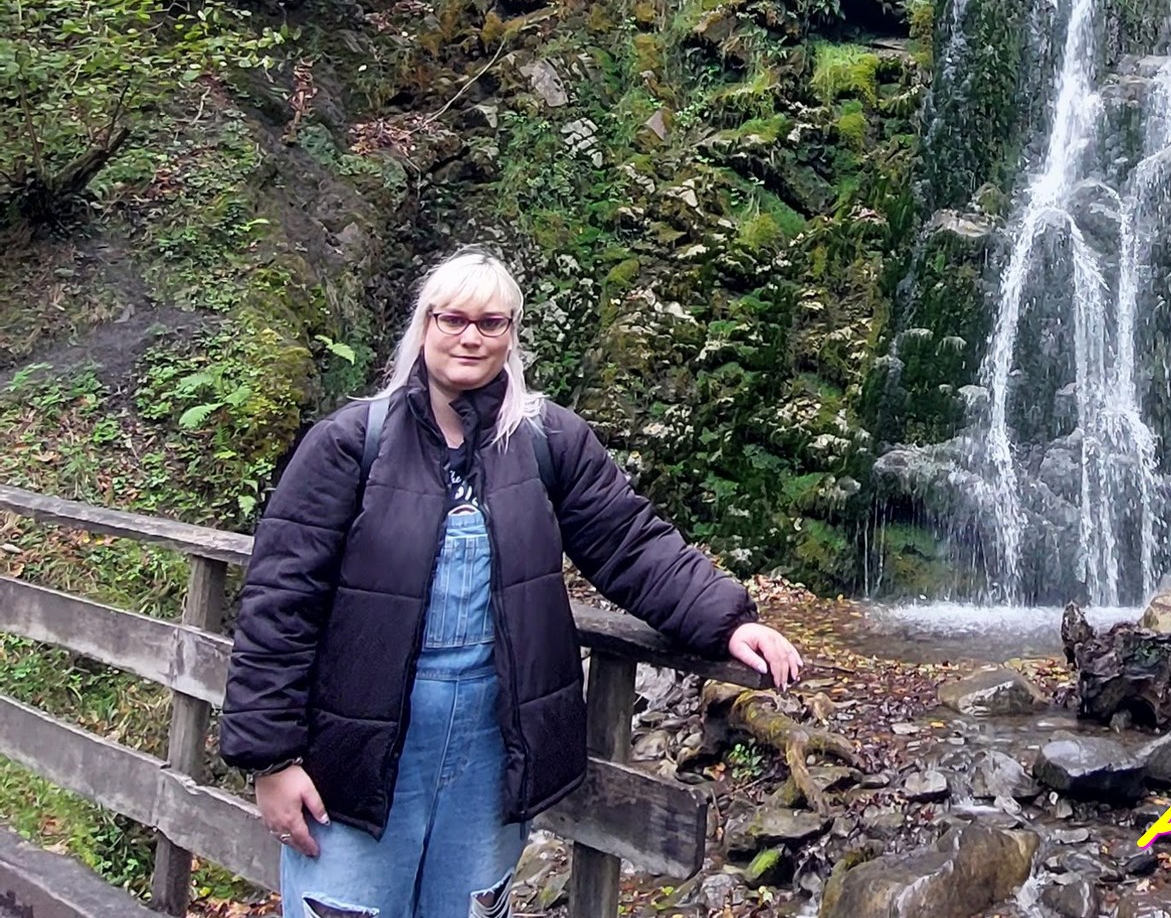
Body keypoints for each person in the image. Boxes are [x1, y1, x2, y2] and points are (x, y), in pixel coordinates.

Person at [218, 247, 802, 918]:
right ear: (424, 325)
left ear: (511, 335)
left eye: (491, 323)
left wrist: (729, 621)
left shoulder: (545, 438)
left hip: (491, 751)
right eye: (453, 318)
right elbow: (278, 603)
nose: (471, 336)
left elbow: (628, 541)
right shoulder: (352, 443)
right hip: (356, 753)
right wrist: (270, 760)